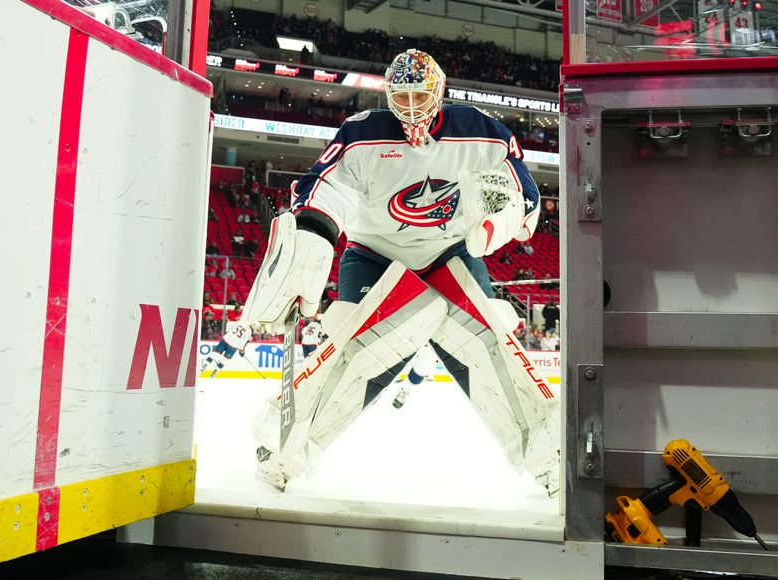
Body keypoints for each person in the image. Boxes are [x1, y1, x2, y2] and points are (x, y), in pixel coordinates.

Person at [235, 49, 558, 496]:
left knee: (489, 344)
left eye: (418, 95)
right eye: (400, 96)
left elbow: (521, 188)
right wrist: (313, 235)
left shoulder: (480, 131)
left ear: (439, 91)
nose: (409, 107)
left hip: (452, 252)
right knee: (359, 349)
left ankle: (545, 454)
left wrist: (498, 221)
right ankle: (284, 447)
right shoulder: (362, 133)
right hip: (373, 253)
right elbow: (325, 187)